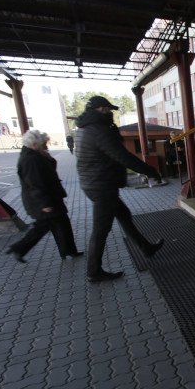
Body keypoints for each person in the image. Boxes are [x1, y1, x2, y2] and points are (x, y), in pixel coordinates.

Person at [75, 95, 164, 283]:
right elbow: (122, 156)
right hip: (102, 186)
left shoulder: (84, 128)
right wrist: (150, 171)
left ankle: (146, 247)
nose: (110, 113)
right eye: (107, 110)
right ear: (99, 110)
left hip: (95, 182)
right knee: (100, 230)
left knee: (124, 216)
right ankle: (94, 272)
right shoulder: (99, 130)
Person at [5, 130, 82, 263]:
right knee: (43, 227)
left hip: (49, 198)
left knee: (62, 225)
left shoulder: (35, 155)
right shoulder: (30, 159)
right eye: (44, 143)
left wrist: (48, 157)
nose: (46, 146)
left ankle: (68, 251)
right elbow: (35, 183)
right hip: (42, 201)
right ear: (35, 144)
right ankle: (19, 248)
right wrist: (45, 204)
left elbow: (49, 170)